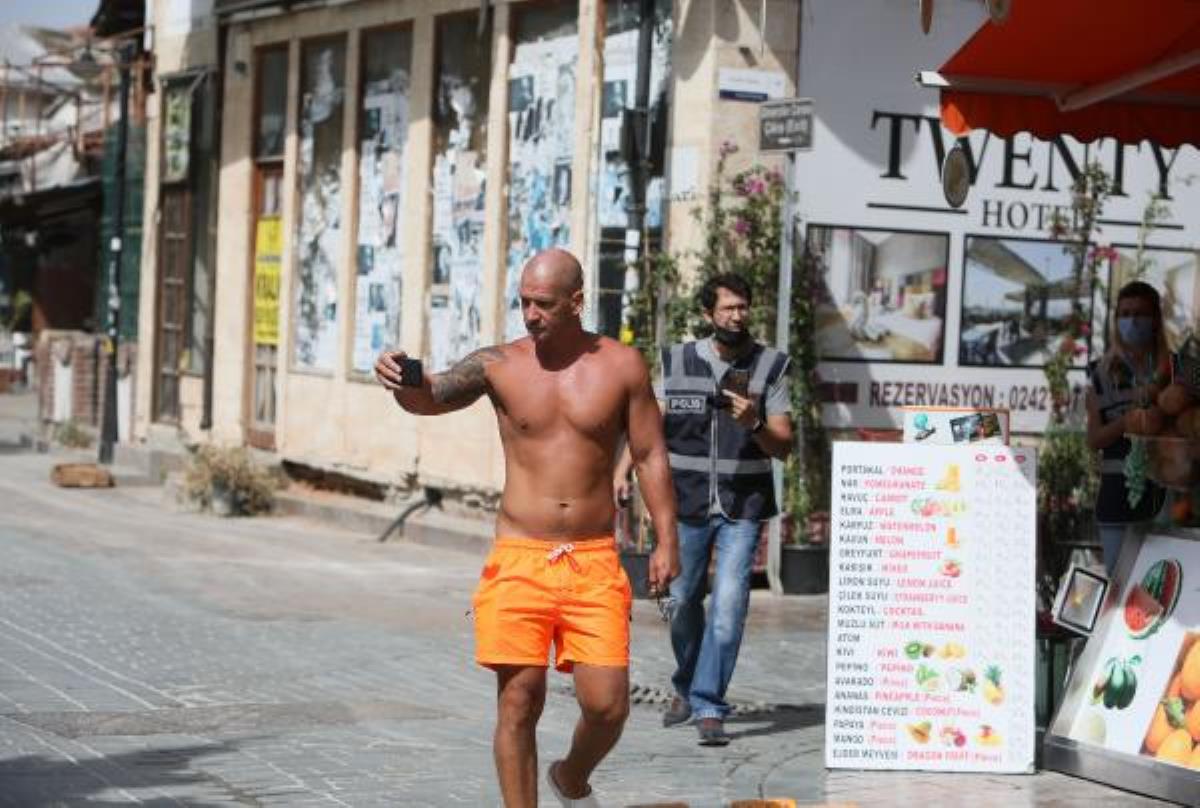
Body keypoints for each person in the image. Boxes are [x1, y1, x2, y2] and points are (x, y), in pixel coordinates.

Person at [375, 248, 679, 808]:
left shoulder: (622, 366)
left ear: (577, 302)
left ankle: (570, 778)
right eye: (523, 303)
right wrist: (400, 377)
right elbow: (430, 397)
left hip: (592, 559)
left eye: (542, 304)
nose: (530, 315)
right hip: (519, 557)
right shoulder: (499, 364)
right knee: (519, 700)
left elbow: (650, 452)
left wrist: (667, 538)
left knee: (608, 703)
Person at [615, 273, 794, 746]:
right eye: (728, 307)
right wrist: (622, 469)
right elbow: (646, 425)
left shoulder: (771, 366)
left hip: (744, 504)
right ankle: (687, 683)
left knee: (730, 606)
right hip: (685, 502)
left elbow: (784, 446)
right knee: (681, 601)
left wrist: (754, 422)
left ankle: (709, 703)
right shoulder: (677, 361)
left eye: (743, 307)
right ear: (708, 313)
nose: (736, 315)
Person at [1086, 280, 1174, 575]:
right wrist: (1126, 422)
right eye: (1125, 314)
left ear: (1155, 321)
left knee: (1163, 588)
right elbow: (1094, 439)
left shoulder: (1178, 371)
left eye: (1140, 313)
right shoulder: (1101, 372)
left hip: (1167, 503)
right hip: (1115, 499)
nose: (1132, 321)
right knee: (1119, 591)